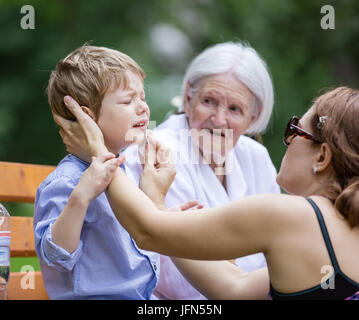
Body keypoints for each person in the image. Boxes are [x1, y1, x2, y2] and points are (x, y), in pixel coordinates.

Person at [60, 86, 359, 300]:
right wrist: (159, 205)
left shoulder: (291, 215)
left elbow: (146, 231)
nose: (288, 141)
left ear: (321, 157)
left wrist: (98, 149)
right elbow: (234, 289)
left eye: (295, 130)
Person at [58, 41, 280, 300]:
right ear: (188, 96)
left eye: (234, 109)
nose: (219, 120)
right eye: (208, 101)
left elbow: (275, 246)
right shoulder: (158, 151)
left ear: (254, 117)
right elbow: (179, 283)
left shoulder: (256, 157)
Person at [34, 44, 162, 299]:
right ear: (87, 117)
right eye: (128, 100)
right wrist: (80, 198)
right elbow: (56, 257)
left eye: (143, 98)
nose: (142, 108)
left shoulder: (124, 170)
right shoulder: (68, 182)